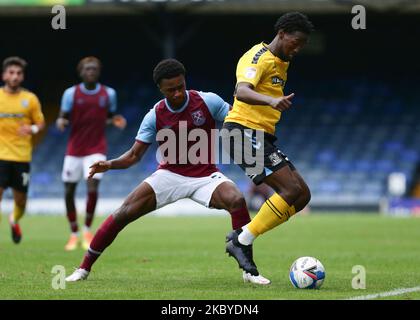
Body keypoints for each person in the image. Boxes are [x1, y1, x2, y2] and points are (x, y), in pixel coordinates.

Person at [65, 58, 270, 285]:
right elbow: (134, 155)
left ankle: (249, 271)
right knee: (122, 213)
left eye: (181, 86)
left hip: (205, 176)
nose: (177, 93)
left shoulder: (207, 101)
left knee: (236, 199)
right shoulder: (155, 115)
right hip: (169, 175)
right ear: (160, 89)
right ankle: (83, 269)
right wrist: (110, 164)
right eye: (171, 89)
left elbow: (236, 121)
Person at [221, 12, 314, 276]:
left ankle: (242, 237)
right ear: (282, 33)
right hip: (240, 133)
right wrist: (272, 101)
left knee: (302, 195)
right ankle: (241, 240)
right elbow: (242, 91)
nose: (297, 49)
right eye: (295, 42)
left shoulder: (282, 61)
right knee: (289, 189)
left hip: (259, 136)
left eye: (302, 45)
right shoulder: (257, 57)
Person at [56, 56, 127, 251]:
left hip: (97, 148)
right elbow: (62, 117)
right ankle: (73, 233)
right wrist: (61, 123)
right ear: (81, 72)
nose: (91, 72)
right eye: (87, 69)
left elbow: (110, 117)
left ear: (99, 71)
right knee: (69, 191)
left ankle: (87, 230)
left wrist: (116, 120)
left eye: (94, 69)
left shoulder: (108, 94)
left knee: (92, 186)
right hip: (74, 150)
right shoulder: (71, 94)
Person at [0, 56, 45, 244]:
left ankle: (14, 220)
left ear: (22, 77)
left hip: (21, 158)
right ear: (4, 75)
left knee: (21, 203)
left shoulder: (30, 99)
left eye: (18, 73)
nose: (15, 76)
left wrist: (32, 129)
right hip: (1, 156)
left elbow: (40, 123)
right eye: (11, 72)